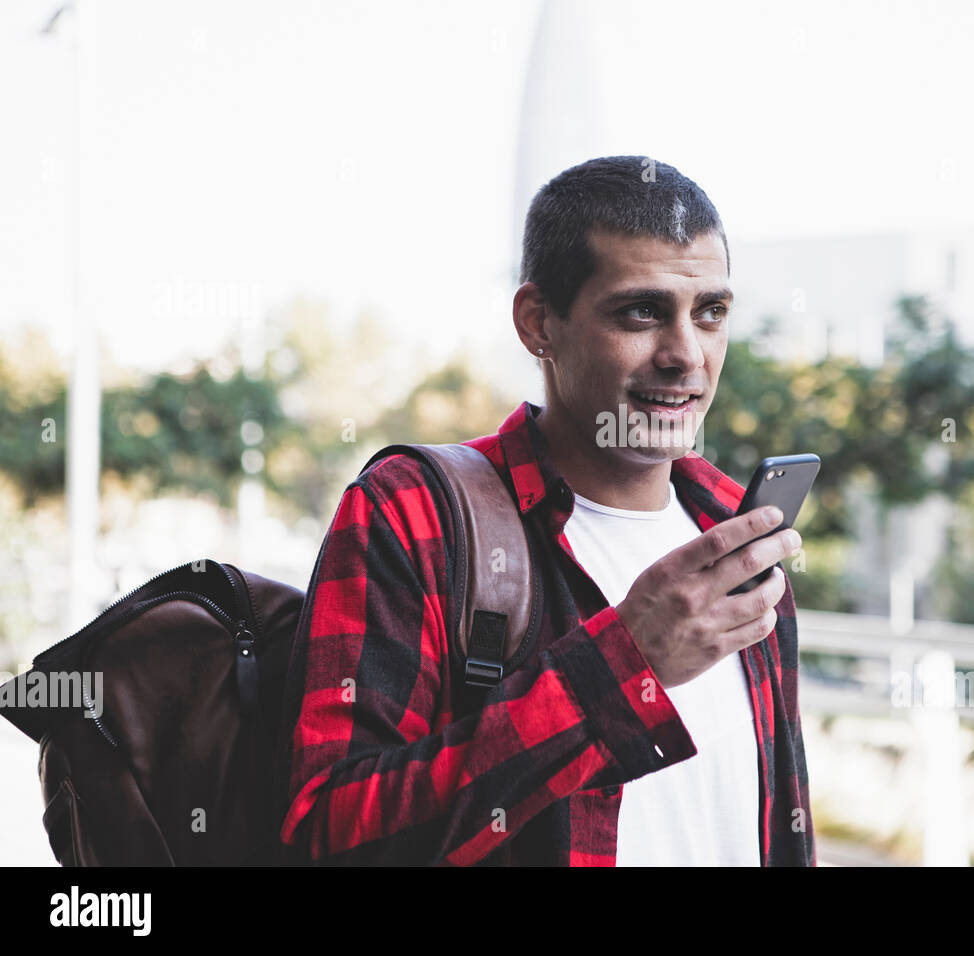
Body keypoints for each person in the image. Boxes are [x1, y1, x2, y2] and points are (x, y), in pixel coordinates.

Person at [276, 155, 816, 866]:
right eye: (641, 312)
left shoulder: (735, 525)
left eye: (710, 313)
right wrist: (621, 667)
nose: (687, 355)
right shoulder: (414, 515)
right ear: (539, 324)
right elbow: (330, 835)